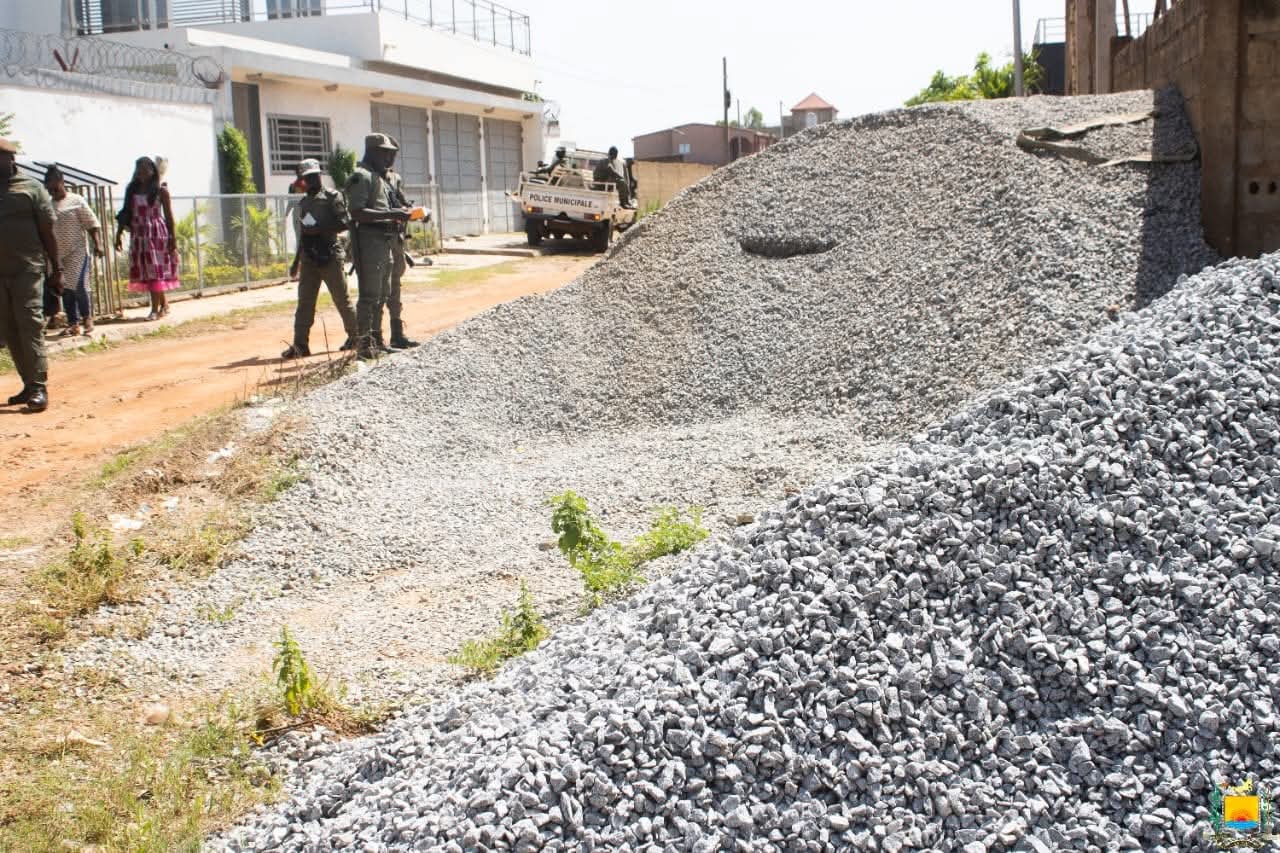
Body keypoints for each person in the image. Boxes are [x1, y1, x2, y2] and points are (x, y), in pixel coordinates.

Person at [0, 137, 61, 412]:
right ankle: (28, 384)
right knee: (9, 328)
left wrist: (56, 270)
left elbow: (48, 232)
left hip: (28, 268)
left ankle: (39, 386)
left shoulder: (32, 188)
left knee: (30, 323)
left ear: (9, 159)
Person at [282, 159, 358, 359]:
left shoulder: (333, 197)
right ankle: (300, 345)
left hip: (330, 254)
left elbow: (345, 223)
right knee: (305, 302)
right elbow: (304, 234)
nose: (311, 180)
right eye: (307, 178)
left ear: (319, 175)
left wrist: (320, 229)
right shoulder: (304, 203)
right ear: (303, 180)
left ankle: (356, 337)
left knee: (342, 299)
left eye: (314, 176)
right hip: (309, 257)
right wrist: (296, 262)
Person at [345, 133, 411, 359]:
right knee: (369, 296)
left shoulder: (379, 177)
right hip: (370, 242)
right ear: (372, 151)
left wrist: (398, 214)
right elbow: (356, 212)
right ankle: (364, 346)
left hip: (384, 240)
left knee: (383, 294)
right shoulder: (361, 176)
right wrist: (391, 213)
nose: (387, 158)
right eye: (383, 152)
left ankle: (378, 341)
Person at [115, 156, 179, 321]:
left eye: (145, 170)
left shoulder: (160, 191)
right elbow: (125, 214)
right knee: (149, 272)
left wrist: (173, 239)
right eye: (139, 170)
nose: (142, 174)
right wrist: (119, 234)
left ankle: (155, 310)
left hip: (156, 235)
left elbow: (169, 216)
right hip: (139, 236)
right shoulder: (132, 190)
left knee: (154, 272)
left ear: (153, 171)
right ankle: (164, 305)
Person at [44, 165, 105, 337]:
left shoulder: (76, 200)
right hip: (57, 255)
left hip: (77, 251)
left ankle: (87, 317)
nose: (52, 192)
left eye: (55, 188)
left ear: (62, 182)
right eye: (49, 190)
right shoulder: (47, 206)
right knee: (64, 289)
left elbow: (91, 223)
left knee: (79, 286)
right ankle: (73, 323)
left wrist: (98, 244)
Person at [383, 140, 419, 350]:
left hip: (396, 240)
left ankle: (397, 334)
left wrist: (413, 212)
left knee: (395, 286)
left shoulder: (394, 179)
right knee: (378, 291)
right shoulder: (372, 179)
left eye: (393, 156)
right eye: (387, 155)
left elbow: (402, 202)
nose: (390, 159)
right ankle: (372, 338)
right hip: (379, 243)